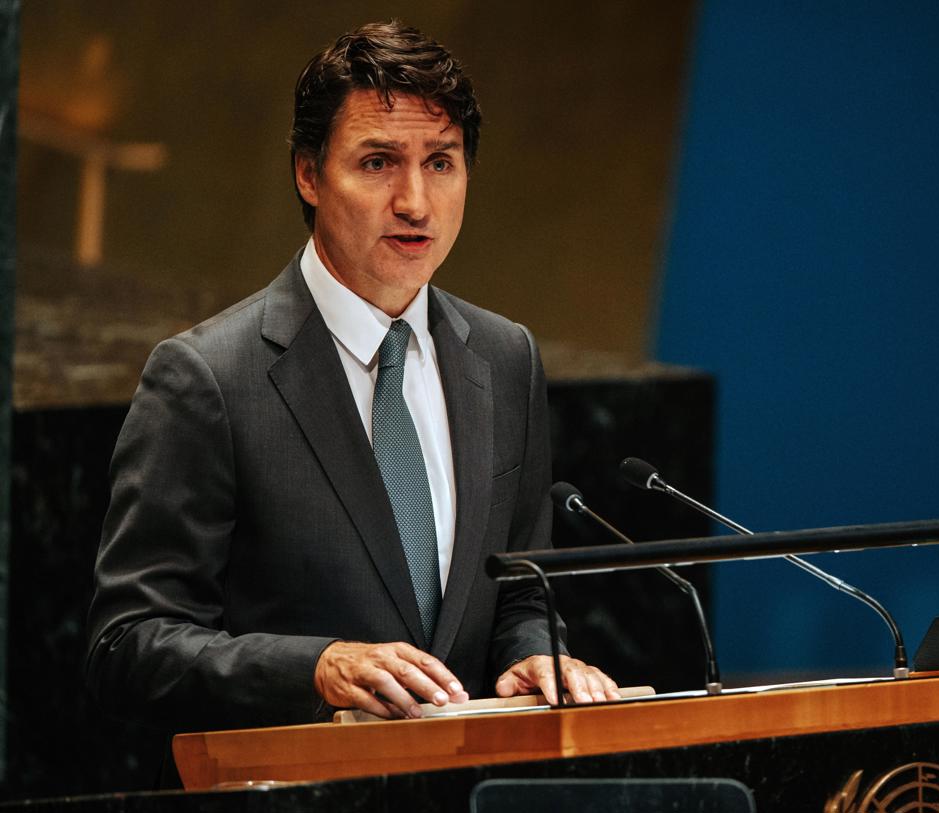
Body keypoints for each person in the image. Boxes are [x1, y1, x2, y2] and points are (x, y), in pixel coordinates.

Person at [85, 21, 617, 735]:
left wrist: (531, 656)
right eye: (377, 163)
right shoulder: (206, 377)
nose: (415, 202)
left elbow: (518, 594)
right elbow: (129, 645)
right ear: (308, 173)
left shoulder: (505, 357)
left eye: (441, 163)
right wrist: (315, 667)